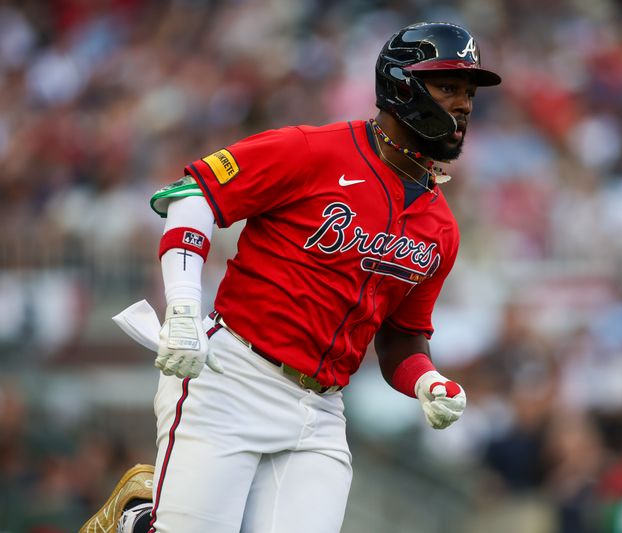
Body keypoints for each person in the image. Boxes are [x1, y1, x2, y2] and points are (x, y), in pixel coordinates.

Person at [79, 21, 501, 533]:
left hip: (319, 412)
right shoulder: (314, 149)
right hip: (231, 381)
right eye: (449, 86)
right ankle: (139, 521)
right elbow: (193, 196)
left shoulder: (442, 227)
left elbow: (402, 343)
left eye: (469, 92)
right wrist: (185, 305)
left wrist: (428, 381)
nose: (463, 104)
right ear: (401, 84)